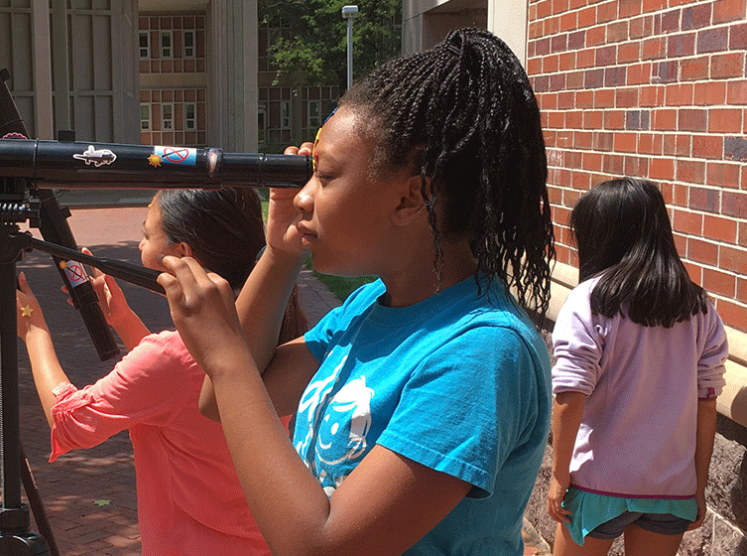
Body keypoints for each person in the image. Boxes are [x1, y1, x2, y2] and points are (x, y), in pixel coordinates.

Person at [157, 28, 555, 555]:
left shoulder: (481, 350)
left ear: (411, 198)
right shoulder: (372, 304)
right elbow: (221, 401)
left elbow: (319, 546)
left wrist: (226, 353)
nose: (301, 197)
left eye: (324, 176)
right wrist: (278, 256)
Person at [14, 189, 305, 556]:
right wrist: (123, 320)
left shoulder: (171, 356)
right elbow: (181, 392)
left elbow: (69, 423)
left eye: (147, 235)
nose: (139, 245)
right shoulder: (268, 328)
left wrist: (33, 330)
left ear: (181, 254)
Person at [544, 177, 728, 555]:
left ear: (602, 235)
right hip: (671, 490)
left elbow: (570, 395)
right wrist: (698, 486)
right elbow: (707, 404)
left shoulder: (589, 300)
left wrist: (558, 476)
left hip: (597, 486)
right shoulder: (700, 309)